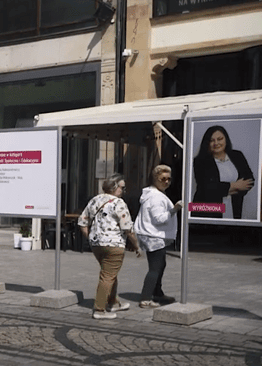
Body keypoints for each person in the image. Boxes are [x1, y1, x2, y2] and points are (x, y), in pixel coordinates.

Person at [78, 173, 141, 320]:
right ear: (114, 187)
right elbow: (127, 227)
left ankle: (113, 302)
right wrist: (137, 245)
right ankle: (99, 309)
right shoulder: (119, 203)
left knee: (109, 274)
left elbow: (82, 222)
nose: (123, 191)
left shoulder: (95, 200)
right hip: (114, 244)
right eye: (122, 188)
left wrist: (91, 237)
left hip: (97, 245)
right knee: (107, 276)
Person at [134, 165, 181, 309]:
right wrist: (175, 209)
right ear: (155, 179)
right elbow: (159, 219)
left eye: (169, 179)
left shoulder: (153, 194)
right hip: (153, 236)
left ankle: (157, 293)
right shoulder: (156, 197)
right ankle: (146, 298)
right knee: (155, 268)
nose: (166, 182)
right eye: (163, 179)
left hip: (152, 235)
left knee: (160, 265)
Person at [192, 125, 255, 219]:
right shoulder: (200, 161)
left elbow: (250, 181)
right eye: (212, 140)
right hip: (208, 212)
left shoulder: (237, 156)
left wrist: (222, 189)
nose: (216, 143)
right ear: (207, 143)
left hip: (234, 209)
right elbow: (206, 188)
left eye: (219, 139)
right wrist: (235, 186)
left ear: (226, 139)